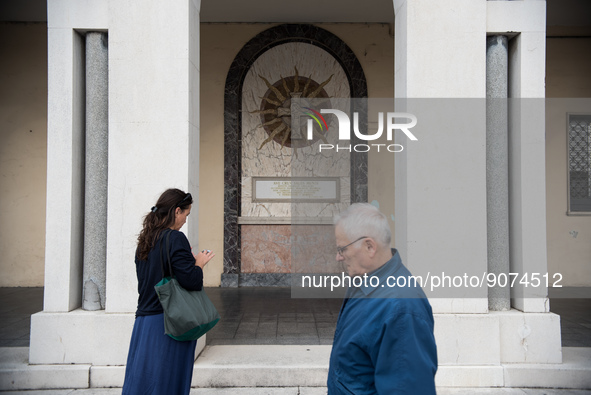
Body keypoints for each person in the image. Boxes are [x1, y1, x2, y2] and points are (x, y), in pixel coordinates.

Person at [327, 203, 438, 394]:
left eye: (342, 249)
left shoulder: (402, 309)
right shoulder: (364, 282)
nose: (338, 257)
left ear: (369, 246)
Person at [122, 188, 215, 395]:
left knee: (143, 384)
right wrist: (198, 264)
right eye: (186, 214)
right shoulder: (175, 238)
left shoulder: (145, 240)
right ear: (176, 211)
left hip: (144, 322)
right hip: (170, 323)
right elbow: (191, 282)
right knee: (167, 383)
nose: (185, 220)